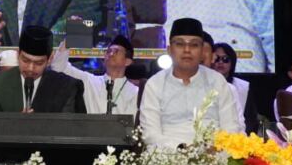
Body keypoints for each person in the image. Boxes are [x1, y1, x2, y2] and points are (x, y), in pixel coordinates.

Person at [140, 17, 242, 148]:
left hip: (213, 157)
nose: (187, 50)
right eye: (180, 44)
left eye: (194, 45)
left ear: (201, 52)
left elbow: (231, 127)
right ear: (169, 50)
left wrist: (212, 150)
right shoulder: (155, 84)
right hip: (168, 157)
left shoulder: (217, 81)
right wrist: (182, 150)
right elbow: (150, 134)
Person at [0, 25, 85, 113]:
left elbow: (71, 131)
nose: (31, 68)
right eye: (25, 61)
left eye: (38, 63)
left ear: (50, 59)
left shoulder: (67, 87)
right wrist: (14, 123)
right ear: (18, 54)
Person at [49, 35, 140, 116]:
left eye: (116, 52)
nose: (111, 54)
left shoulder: (134, 92)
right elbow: (58, 67)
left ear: (128, 61)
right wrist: (70, 37)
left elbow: (130, 123)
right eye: (108, 51)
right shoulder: (89, 81)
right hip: (90, 133)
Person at [212, 42, 255, 133]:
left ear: (232, 63)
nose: (220, 62)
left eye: (225, 59)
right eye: (217, 59)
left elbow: (250, 121)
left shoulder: (243, 87)